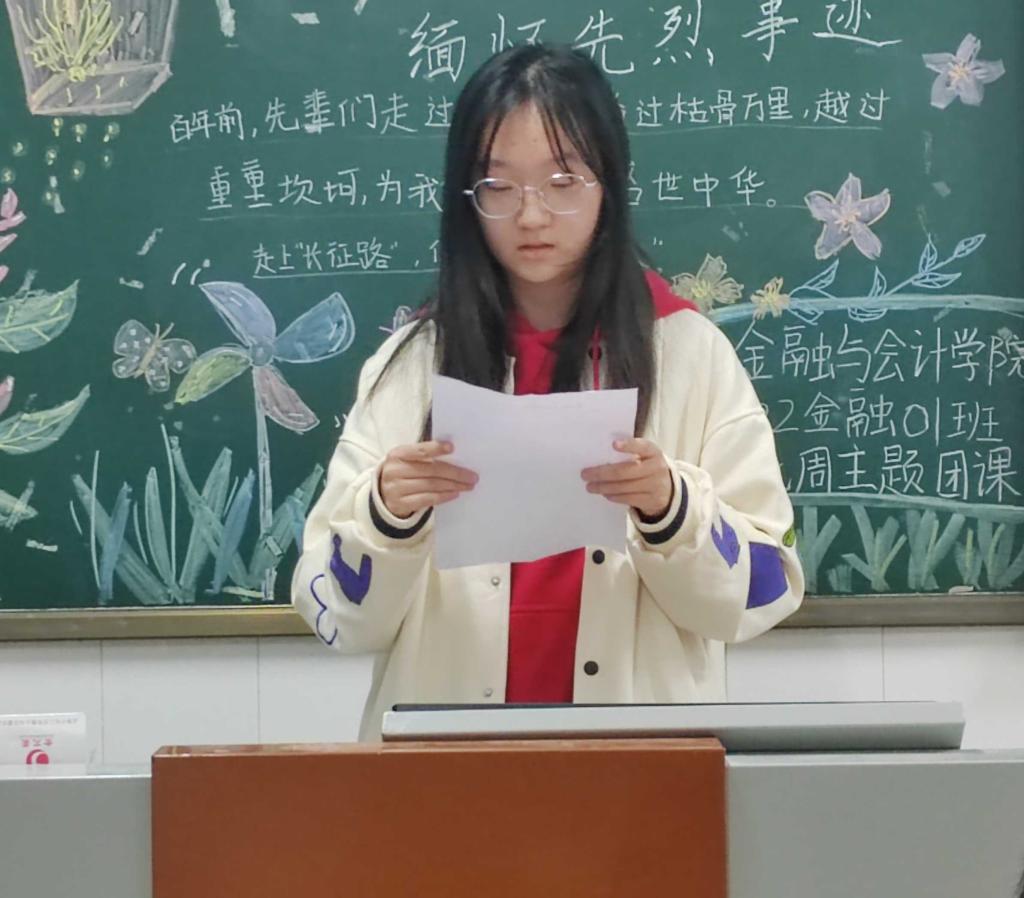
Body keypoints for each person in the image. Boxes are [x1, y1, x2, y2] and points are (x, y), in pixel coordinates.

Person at [292, 43, 804, 740]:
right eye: (499, 187)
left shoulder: (690, 355)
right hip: (444, 774)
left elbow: (764, 593)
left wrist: (672, 510)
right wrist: (386, 517)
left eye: (563, 181)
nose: (531, 216)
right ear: (466, 198)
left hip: (635, 775)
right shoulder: (411, 366)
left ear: (609, 184)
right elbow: (334, 617)